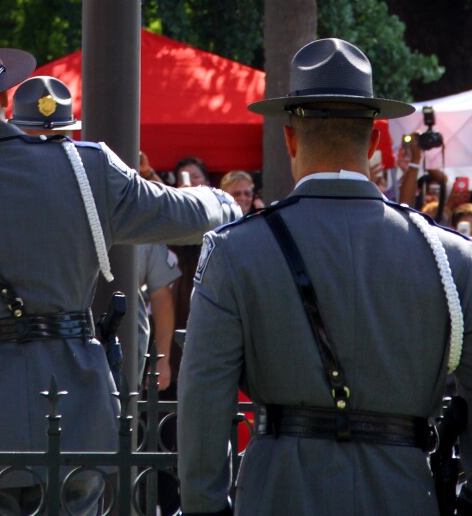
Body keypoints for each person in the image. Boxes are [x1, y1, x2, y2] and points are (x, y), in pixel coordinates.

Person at [0, 18, 240, 515]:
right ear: (5, 90)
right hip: (74, 414)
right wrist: (226, 203)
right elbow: (187, 214)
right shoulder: (84, 169)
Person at [176, 37, 472, 516]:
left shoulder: (235, 252)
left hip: (277, 495)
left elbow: (204, 399)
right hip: (404, 495)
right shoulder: (450, 257)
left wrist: (204, 507)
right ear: (374, 139)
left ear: (289, 138)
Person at [9, 74, 178, 391]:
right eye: (36, 140)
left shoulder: (102, 191)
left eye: (57, 140)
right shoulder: (5, 197)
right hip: (24, 352)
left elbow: (160, 293)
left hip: (100, 351)